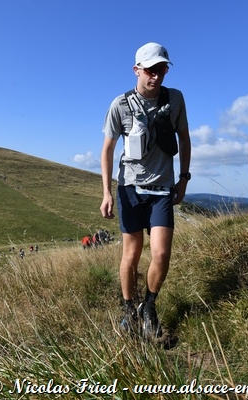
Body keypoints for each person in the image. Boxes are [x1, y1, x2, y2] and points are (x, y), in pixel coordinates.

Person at [100, 42, 191, 339]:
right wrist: (107, 192)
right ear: (136, 70)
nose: (156, 75)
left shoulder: (175, 99)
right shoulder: (120, 105)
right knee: (132, 253)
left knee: (161, 253)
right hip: (129, 189)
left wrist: (184, 178)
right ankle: (129, 309)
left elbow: (184, 138)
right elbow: (107, 149)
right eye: (150, 70)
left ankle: (149, 307)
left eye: (161, 69)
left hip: (162, 189)